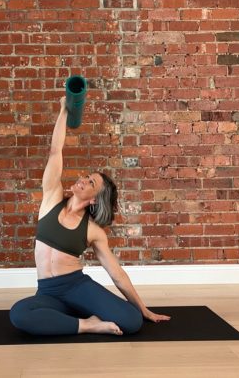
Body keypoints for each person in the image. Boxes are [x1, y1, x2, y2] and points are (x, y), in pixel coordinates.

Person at [9, 96, 170, 336]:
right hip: (47, 292)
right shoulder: (51, 199)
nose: (83, 179)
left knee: (132, 321)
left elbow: (117, 274)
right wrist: (64, 109)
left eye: (90, 182)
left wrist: (144, 309)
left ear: (95, 198)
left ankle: (75, 318)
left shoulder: (93, 230)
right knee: (19, 314)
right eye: (86, 176)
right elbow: (55, 152)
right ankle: (87, 324)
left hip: (77, 288)